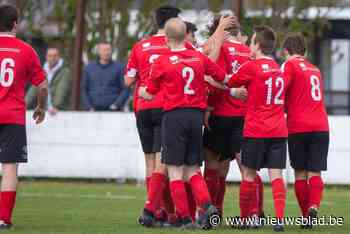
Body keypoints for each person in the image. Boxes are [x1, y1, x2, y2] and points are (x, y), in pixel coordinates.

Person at [139, 17, 227, 229]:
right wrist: (232, 90)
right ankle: (207, 204)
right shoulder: (197, 57)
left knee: (175, 171)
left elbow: (149, 94)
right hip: (195, 117)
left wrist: (142, 91)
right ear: (185, 35)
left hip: (174, 117)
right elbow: (221, 76)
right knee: (193, 170)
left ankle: (185, 218)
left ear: (167, 39)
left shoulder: (162, 61)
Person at [124, 5, 185, 226]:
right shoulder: (177, 45)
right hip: (165, 108)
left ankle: (156, 210)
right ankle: (156, 210)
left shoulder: (140, 46)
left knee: (150, 162)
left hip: (142, 108)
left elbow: (128, 80)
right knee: (164, 164)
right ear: (173, 23)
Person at [203, 15, 265, 219]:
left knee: (212, 164)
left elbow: (209, 76)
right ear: (239, 31)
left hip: (220, 115)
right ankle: (255, 213)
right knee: (247, 168)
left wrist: (212, 105)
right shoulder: (249, 53)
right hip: (244, 117)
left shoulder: (217, 48)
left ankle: (213, 212)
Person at [226, 25, 287, 232]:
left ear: (258, 45)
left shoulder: (251, 66)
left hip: (256, 129)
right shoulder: (278, 68)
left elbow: (231, 82)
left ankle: (244, 219)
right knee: (276, 175)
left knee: (249, 175)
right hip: (278, 129)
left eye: (251, 41)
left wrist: (234, 92)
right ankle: (279, 220)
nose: (249, 45)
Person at [0, 4, 48, 229]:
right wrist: (41, 107)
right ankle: (3, 218)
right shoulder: (26, 50)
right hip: (12, 117)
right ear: (15, 24)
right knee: (9, 167)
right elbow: (43, 86)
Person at [281, 33, 329, 228]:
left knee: (300, 172)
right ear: (305, 51)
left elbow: (281, 88)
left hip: (298, 125)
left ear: (286, 51)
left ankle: (304, 215)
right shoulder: (315, 69)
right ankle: (314, 206)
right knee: (315, 171)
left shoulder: (290, 65)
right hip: (321, 125)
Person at [81, 42, 130, 111]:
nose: (107, 53)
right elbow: (83, 89)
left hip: (113, 111)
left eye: (108, 50)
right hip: (92, 110)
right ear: (98, 52)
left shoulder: (120, 68)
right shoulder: (89, 68)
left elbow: (126, 89)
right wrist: (88, 107)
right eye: (104, 50)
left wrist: (116, 105)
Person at [26, 46, 71, 115]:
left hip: (59, 111)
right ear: (46, 57)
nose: (52, 58)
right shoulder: (42, 71)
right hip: (44, 109)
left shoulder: (64, 71)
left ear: (59, 57)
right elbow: (33, 89)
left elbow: (61, 89)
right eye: (50, 56)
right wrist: (24, 105)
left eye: (55, 56)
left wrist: (56, 106)